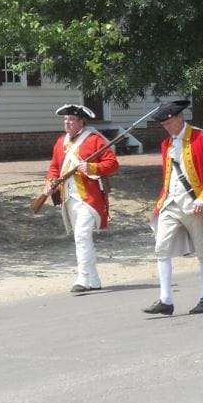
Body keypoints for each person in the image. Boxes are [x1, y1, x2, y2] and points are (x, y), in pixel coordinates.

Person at [143, 100, 203, 316]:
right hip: (170, 203)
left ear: (181, 118)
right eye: (165, 125)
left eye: (170, 123)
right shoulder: (166, 144)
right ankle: (165, 299)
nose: (168, 127)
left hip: (195, 206)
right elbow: (169, 175)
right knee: (161, 248)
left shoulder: (202, 138)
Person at [41, 104, 120, 293]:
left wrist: (92, 168)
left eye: (71, 119)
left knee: (82, 235)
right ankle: (94, 279)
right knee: (81, 238)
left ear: (81, 122)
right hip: (69, 197)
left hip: (89, 197)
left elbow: (112, 164)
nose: (67, 123)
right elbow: (54, 167)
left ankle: (83, 278)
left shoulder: (94, 140)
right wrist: (50, 183)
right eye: (65, 119)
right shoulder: (61, 142)